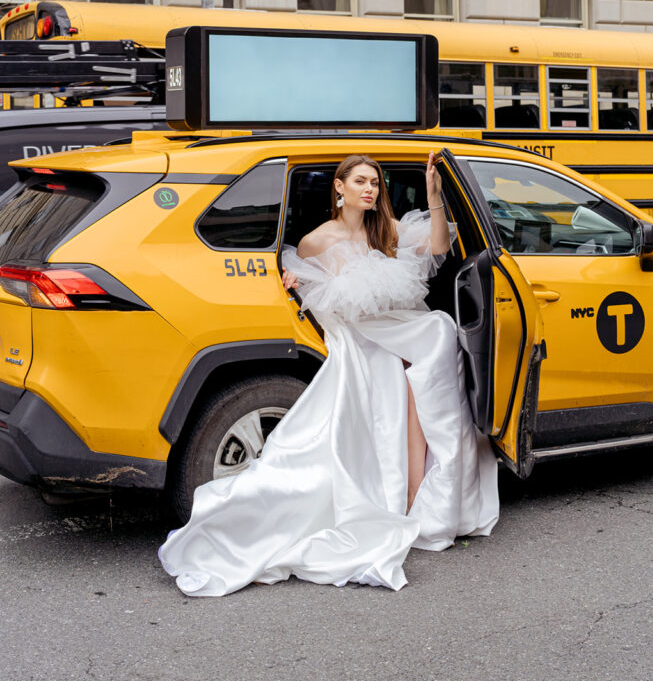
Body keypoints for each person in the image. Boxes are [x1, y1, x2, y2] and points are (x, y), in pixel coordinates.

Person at [158, 153, 499, 596]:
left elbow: (437, 248)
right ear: (338, 187)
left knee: (433, 341)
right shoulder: (317, 241)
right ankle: (406, 498)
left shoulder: (386, 231)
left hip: (398, 330)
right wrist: (293, 281)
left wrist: (434, 194)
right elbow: (312, 289)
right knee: (431, 340)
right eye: (360, 181)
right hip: (361, 337)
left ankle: (419, 500)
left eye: (375, 182)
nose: (369, 189)